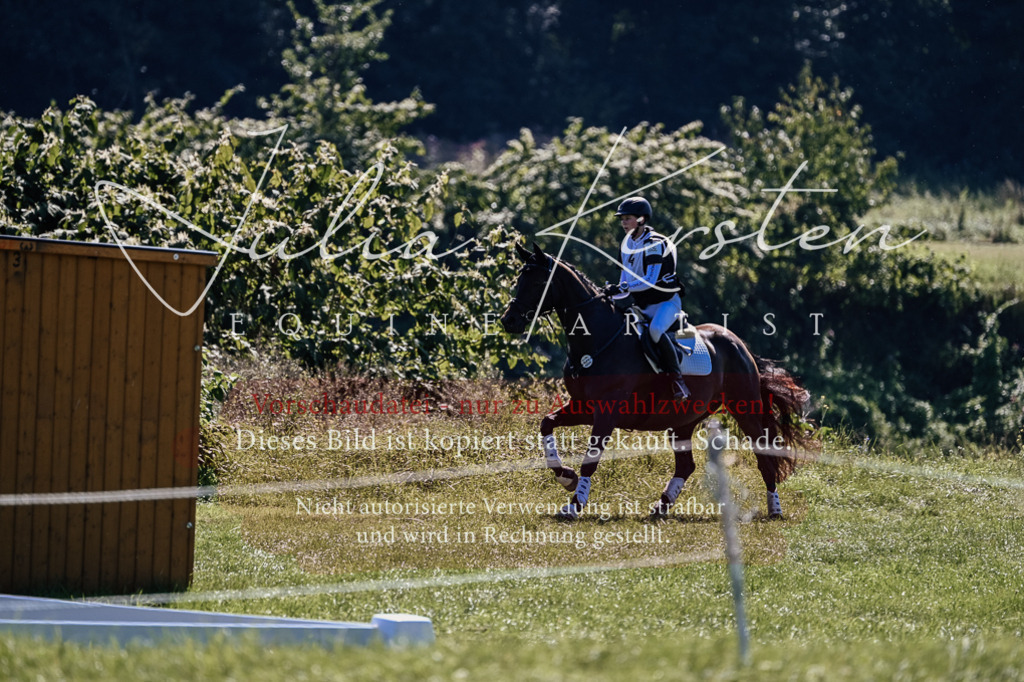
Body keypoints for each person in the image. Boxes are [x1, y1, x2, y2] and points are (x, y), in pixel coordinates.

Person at [605, 197, 690, 401]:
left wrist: (623, 287)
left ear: (641, 219)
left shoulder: (655, 243)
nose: (624, 222)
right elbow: (624, 287)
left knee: (655, 330)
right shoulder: (625, 245)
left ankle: (677, 379)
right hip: (642, 306)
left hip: (666, 303)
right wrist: (607, 293)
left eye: (628, 218)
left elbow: (650, 281)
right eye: (622, 219)